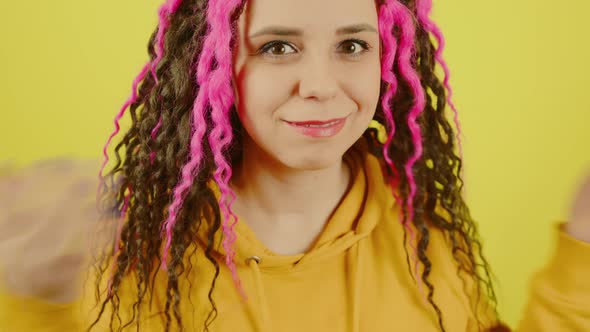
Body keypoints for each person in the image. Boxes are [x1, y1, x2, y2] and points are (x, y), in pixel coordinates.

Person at [0, 0, 589, 331]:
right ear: (214, 65)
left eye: (352, 45)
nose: (321, 86)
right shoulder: (120, 253)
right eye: (278, 46)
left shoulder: (423, 239)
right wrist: (30, 304)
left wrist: (579, 269)